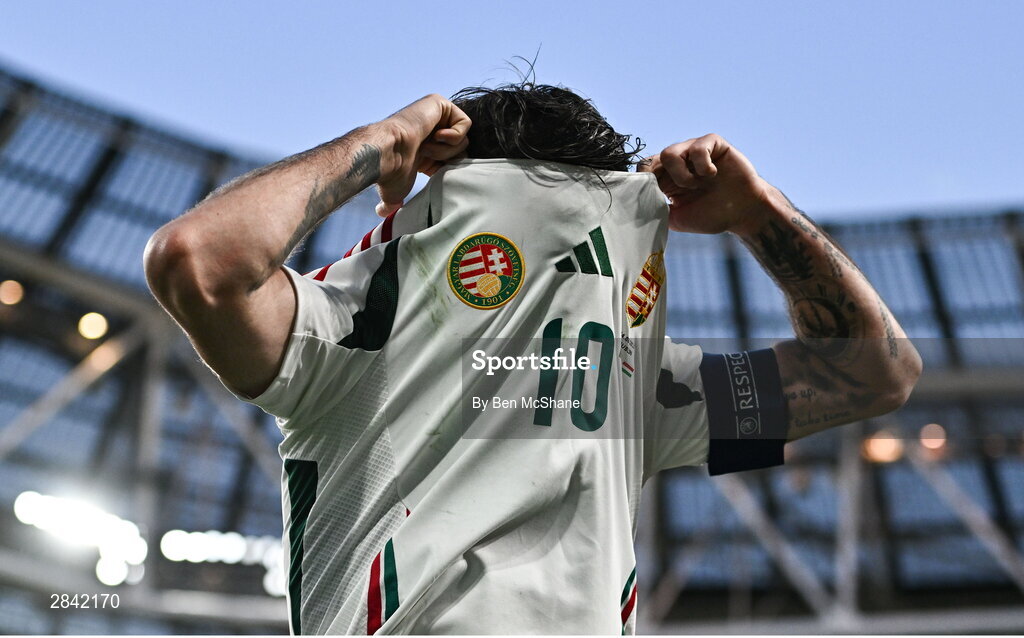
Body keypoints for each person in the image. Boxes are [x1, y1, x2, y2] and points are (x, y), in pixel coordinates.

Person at [143, 83, 921, 634]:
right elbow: (198, 260)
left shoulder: (637, 389)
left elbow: (879, 374)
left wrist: (379, 142)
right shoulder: (353, 331)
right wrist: (758, 213)